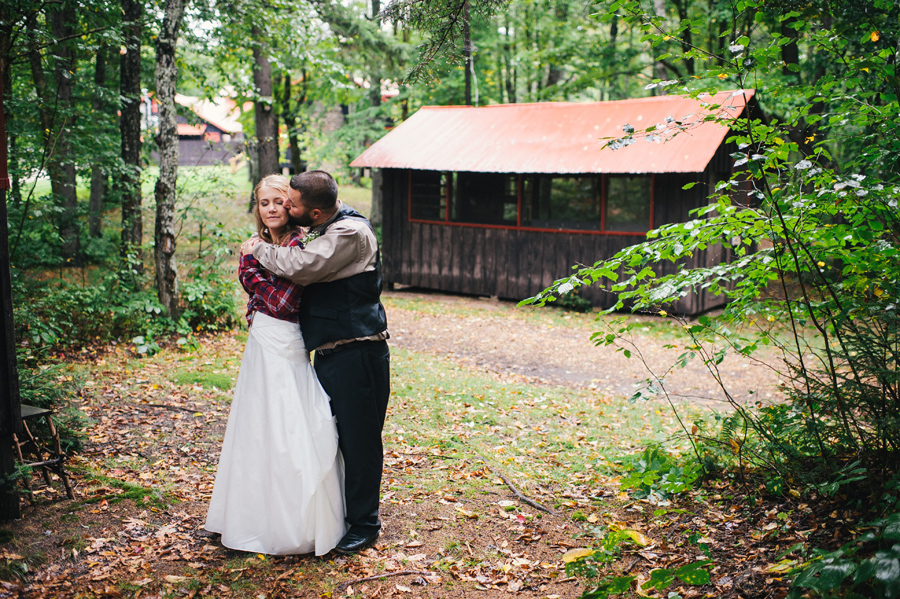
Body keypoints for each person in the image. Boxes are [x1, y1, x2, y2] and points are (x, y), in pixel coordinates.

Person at [241, 170, 390, 554]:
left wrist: (254, 250)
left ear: (317, 213)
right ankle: (336, 512)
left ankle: (365, 523)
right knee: (329, 436)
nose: (285, 209)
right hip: (328, 352)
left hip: (358, 351)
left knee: (360, 442)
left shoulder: (349, 233)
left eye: (292, 205)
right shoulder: (325, 225)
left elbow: (301, 267)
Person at [205, 174, 345, 556]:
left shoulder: (302, 242)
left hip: (287, 340)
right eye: (264, 202)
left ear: (292, 206)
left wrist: (252, 273)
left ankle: (291, 521)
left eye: (278, 202)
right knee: (255, 425)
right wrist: (253, 275)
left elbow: (284, 303)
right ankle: (246, 515)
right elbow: (256, 293)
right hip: (261, 341)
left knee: (289, 421)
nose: (271, 209)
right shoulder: (258, 243)